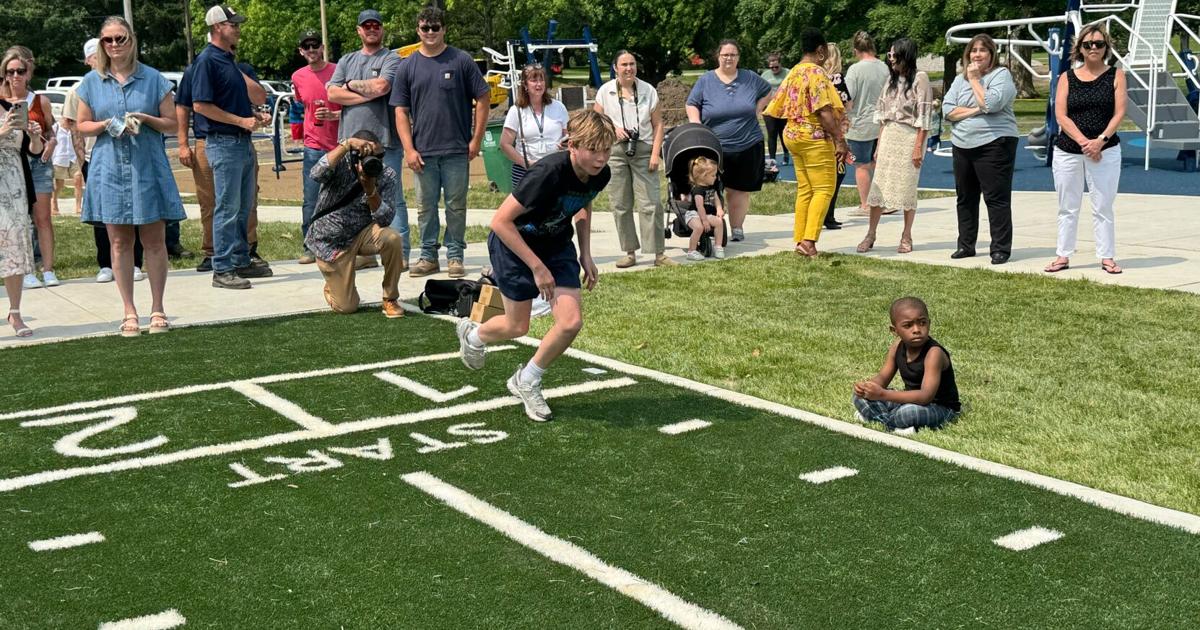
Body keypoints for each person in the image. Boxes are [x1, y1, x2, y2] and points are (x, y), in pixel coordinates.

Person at [454, 109, 616, 422]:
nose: (601, 158)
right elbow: (500, 222)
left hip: (555, 244)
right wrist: (537, 267)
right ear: (572, 145)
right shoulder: (547, 173)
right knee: (517, 326)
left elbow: (583, 202)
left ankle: (527, 379)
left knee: (570, 322)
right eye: (593, 149)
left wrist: (585, 253)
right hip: (514, 244)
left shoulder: (600, 173)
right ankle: (473, 336)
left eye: (606, 150)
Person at [75, 16, 186, 336]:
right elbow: (81, 125)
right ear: (101, 44)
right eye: (108, 39)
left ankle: (158, 308)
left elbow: (173, 124)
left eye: (120, 38)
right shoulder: (91, 82)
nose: (114, 45)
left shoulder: (153, 79)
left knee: (154, 241)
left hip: (147, 167)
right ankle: (129, 310)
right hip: (109, 169)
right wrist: (105, 124)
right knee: (119, 242)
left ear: (131, 40)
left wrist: (145, 119)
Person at [392, 6, 490, 279]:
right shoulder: (407, 66)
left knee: (456, 206)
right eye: (425, 28)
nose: (430, 32)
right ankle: (428, 256)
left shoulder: (461, 60)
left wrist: (476, 139)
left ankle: (455, 255)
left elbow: (483, 98)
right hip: (423, 152)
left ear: (444, 29)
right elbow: (400, 111)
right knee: (425, 208)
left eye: (435, 27)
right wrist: (409, 149)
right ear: (418, 30)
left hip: (457, 150)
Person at [190, 5, 272, 289]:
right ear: (216, 27)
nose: (237, 29)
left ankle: (239, 259)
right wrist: (240, 120)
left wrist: (254, 115)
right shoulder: (206, 61)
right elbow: (200, 105)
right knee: (227, 207)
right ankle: (222, 268)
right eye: (232, 24)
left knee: (243, 205)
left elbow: (245, 99)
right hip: (223, 142)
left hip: (241, 142)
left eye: (237, 24)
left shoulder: (228, 60)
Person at [328, 9, 409, 270]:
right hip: (350, 142)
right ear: (359, 31)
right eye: (367, 26)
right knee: (354, 199)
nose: (372, 29)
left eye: (376, 25)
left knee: (391, 197)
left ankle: (399, 253)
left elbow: (382, 87)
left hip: (384, 142)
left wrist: (350, 85)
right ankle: (363, 252)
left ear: (382, 29)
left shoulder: (391, 58)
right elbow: (332, 94)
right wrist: (365, 92)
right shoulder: (346, 59)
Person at [61, 37, 144, 284]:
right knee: (102, 213)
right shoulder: (80, 89)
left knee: (133, 209)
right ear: (88, 60)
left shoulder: (125, 81)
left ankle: (135, 262)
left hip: (129, 155)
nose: (101, 58)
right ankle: (105, 263)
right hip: (94, 157)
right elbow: (73, 127)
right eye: (95, 55)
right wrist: (82, 162)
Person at [1045, 25, 1127, 275]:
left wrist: (1100, 141)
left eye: (1099, 44)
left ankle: (1107, 256)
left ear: (1106, 47)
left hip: (1106, 150)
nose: (1093, 48)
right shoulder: (1066, 77)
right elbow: (1061, 115)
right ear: (1079, 47)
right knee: (1067, 206)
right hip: (1068, 151)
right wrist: (1085, 143)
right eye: (1088, 44)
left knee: (1103, 205)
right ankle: (1063, 255)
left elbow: (1119, 113)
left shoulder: (1116, 75)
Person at [764, 28, 848, 258]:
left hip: (792, 134)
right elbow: (824, 112)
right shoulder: (817, 73)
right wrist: (840, 140)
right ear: (820, 50)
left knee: (806, 189)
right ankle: (809, 241)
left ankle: (800, 238)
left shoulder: (794, 72)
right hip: (814, 136)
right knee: (824, 188)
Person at [305, 131, 405, 317]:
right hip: (331, 241)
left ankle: (390, 298)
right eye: (368, 156)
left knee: (392, 238)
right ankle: (334, 283)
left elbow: (385, 220)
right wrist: (346, 145)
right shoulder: (340, 164)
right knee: (347, 307)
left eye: (379, 156)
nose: (374, 161)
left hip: (362, 233)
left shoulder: (387, 175)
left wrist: (371, 191)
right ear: (354, 155)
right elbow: (316, 173)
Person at [943, 34, 1019, 265]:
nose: (977, 54)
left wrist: (976, 80)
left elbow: (992, 104)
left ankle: (1000, 249)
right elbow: (947, 110)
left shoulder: (1001, 75)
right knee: (965, 198)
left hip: (994, 143)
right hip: (962, 143)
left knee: (996, 198)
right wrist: (977, 109)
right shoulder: (959, 80)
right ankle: (966, 245)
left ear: (991, 54)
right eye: (973, 50)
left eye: (982, 50)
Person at [687, 40, 771, 243]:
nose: (729, 58)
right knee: (711, 189)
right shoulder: (706, 80)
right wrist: (696, 125)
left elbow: (768, 91)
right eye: (725, 54)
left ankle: (737, 227)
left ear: (738, 57)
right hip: (714, 147)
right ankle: (711, 226)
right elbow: (692, 103)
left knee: (739, 189)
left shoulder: (749, 77)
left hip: (748, 143)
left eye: (733, 55)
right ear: (718, 56)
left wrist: (758, 109)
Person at [593, 51, 672, 267]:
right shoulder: (605, 91)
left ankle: (658, 254)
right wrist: (613, 128)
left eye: (632, 64)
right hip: (615, 151)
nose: (629, 68)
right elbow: (596, 121)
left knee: (651, 203)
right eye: (624, 64)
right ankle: (629, 252)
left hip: (644, 149)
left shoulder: (648, 90)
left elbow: (658, 124)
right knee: (620, 204)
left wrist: (655, 154)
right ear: (615, 68)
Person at [856, 38, 934, 255]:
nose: (890, 59)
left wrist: (918, 147)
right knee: (879, 187)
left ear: (905, 55)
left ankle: (906, 235)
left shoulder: (920, 79)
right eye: (889, 55)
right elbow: (883, 117)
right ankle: (871, 234)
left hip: (909, 137)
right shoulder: (889, 81)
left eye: (894, 55)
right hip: (889, 135)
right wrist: (879, 145)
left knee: (907, 187)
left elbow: (925, 116)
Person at [852, 296, 960, 431]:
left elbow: (926, 396)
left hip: (940, 407)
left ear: (929, 323)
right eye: (908, 325)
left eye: (922, 323)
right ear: (894, 330)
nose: (916, 329)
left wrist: (882, 394)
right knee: (859, 397)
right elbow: (883, 378)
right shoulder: (897, 346)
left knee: (908, 413)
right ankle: (893, 422)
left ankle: (879, 419)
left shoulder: (934, 353)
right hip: (910, 399)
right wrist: (867, 388)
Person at [2, 48, 59, 289]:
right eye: (10, 72)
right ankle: (27, 270)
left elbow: (51, 131)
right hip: (12, 164)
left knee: (43, 217)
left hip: (38, 162)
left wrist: (51, 142)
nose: (16, 76)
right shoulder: (1, 101)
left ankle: (48, 269)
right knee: (20, 219)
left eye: (20, 71)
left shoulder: (39, 101)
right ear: (4, 74)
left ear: (28, 73)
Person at [291, 29, 341, 265]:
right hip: (313, 147)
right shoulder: (298, 77)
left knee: (341, 199)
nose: (311, 50)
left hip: (339, 145)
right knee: (311, 199)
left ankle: (340, 244)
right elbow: (299, 107)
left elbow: (352, 107)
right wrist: (297, 134)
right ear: (301, 51)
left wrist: (334, 115)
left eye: (315, 45)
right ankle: (310, 246)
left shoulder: (338, 71)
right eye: (306, 46)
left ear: (322, 47)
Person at [1, 96, 41, 336]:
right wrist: (3, 131)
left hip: (14, 185)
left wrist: (34, 137)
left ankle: (15, 313)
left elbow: (33, 152)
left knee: (14, 246)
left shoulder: (11, 109)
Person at [843, 31, 889, 218]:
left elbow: (848, 98)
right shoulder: (884, 67)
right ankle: (883, 202)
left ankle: (866, 205)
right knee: (878, 164)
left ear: (856, 50)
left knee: (861, 165)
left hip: (860, 123)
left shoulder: (855, 70)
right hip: (882, 123)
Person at [501, 63, 569, 188]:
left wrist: (566, 142)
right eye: (534, 80)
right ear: (525, 85)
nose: (539, 84)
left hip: (555, 168)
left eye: (541, 80)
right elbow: (505, 144)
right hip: (525, 171)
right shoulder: (516, 111)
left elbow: (568, 135)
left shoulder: (558, 107)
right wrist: (525, 163)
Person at [821, 41, 850, 231]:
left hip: (818, 131)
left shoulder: (817, 77)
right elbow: (847, 102)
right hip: (835, 130)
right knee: (838, 172)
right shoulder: (837, 79)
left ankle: (826, 213)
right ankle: (828, 214)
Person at [683, 156, 725, 261]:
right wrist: (704, 220)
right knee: (699, 227)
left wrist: (719, 209)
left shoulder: (711, 187)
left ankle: (718, 246)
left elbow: (716, 199)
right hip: (694, 214)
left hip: (705, 214)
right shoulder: (698, 190)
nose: (715, 177)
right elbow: (699, 206)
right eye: (713, 175)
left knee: (719, 222)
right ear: (704, 176)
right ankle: (691, 251)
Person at [760, 52, 789, 166]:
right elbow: (760, 90)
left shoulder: (788, 73)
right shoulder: (765, 75)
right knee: (771, 133)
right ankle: (772, 159)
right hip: (769, 108)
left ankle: (786, 154)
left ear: (780, 64)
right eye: (771, 67)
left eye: (776, 66)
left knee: (783, 133)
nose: (774, 69)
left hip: (784, 109)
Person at [51, 120, 81, 215]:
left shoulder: (75, 127)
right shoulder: (56, 127)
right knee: (59, 184)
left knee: (78, 179)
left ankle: (78, 207)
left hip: (73, 157)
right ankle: (54, 202)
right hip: (60, 158)